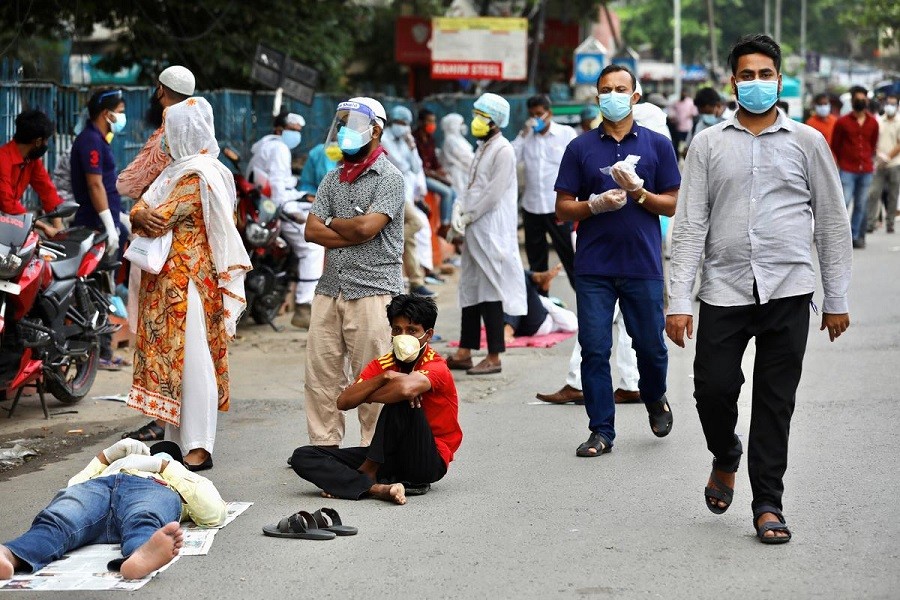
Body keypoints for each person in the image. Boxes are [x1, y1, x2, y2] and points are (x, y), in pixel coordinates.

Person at [667, 34, 852, 544]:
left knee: (775, 402)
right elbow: (689, 225)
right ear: (733, 81)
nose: (754, 83)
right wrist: (679, 301)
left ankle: (768, 502)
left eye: (764, 74)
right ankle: (726, 453)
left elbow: (832, 222)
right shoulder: (707, 143)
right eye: (745, 75)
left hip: (789, 289)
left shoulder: (808, 142)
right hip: (723, 289)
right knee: (712, 388)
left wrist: (835, 299)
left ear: (778, 79)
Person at [555, 64, 680, 457]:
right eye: (606, 89)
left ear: (635, 96)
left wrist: (640, 192)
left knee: (650, 346)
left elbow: (672, 204)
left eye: (620, 88)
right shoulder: (580, 148)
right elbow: (562, 208)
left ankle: (655, 396)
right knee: (594, 348)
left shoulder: (658, 145)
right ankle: (601, 430)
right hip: (594, 266)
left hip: (642, 264)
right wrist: (593, 205)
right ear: (597, 97)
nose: (613, 95)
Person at [127, 97, 251, 471]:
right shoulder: (179, 172)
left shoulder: (197, 174)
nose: (164, 139)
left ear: (183, 133)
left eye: (169, 132)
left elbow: (155, 216)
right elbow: (138, 207)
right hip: (170, 284)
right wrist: (138, 212)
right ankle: (176, 444)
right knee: (175, 364)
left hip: (188, 284)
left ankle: (198, 445)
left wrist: (138, 212)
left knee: (194, 362)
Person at [290, 295, 462, 504]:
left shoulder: (436, 366)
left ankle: (366, 473)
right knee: (304, 456)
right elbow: (343, 402)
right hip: (389, 458)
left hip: (427, 460)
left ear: (428, 335)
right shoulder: (384, 365)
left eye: (412, 331)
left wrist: (370, 395)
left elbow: (406, 389)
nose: (402, 336)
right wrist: (384, 378)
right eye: (397, 330)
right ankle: (377, 488)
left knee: (402, 398)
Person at [304, 97, 406, 447]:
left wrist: (333, 223)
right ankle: (324, 449)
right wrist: (348, 227)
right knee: (320, 376)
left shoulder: (390, 178)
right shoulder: (333, 178)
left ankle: (374, 452)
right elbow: (311, 231)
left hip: (373, 290)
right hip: (330, 289)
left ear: (375, 130)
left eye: (352, 124)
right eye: (342, 123)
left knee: (374, 377)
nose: (345, 131)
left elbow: (368, 228)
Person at [0, 438, 225, 580]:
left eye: (161, 454)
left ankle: (139, 556)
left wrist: (163, 465)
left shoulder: (176, 478)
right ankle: (9, 555)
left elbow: (214, 513)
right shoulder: (111, 467)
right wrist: (106, 457)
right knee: (59, 518)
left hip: (149, 487)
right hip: (99, 486)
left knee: (144, 517)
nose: (152, 455)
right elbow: (71, 487)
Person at [117, 65, 195, 444]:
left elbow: (127, 183)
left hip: (164, 257)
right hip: (188, 261)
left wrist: (139, 207)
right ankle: (176, 421)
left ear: (161, 92)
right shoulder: (203, 147)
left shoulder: (170, 141)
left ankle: (164, 421)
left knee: (161, 341)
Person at [445, 93, 526, 376]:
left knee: (490, 289)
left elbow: (493, 193)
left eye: (481, 115)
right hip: (474, 226)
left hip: (491, 228)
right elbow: (472, 186)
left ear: (494, 119)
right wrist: (459, 212)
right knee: (469, 287)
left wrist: (469, 214)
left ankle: (494, 355)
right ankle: (465, 351)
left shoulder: (503, 149)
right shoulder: (482, 147)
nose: (475, 120)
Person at [246, 111, 324, 328]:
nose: (296, 136)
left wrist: (299, 195)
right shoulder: (279, 148)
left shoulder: (263, 145)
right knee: (313, 246)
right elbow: (279, 192)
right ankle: (303, 306)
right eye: (293, 131)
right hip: (277, 208)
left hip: (263, 206)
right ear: (280, 129)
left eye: (298, 132)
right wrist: (296, 205)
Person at [70, 88, 129, 371]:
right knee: (97, 290)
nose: (122, 116)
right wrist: (109, 224)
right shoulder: (90, 142)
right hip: (94, 228)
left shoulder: (99, 141)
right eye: (119, 110)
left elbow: (105, 185)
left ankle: (103, 351)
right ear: (106, 113)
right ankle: (99, 352)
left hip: (105, 224)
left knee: (104, 289)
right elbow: (94, 186)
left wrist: (121, 218)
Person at [512, 95, 577, 286]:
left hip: (558, 207)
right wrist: (523, 134)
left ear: (549, 113)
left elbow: (578, 165)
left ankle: (584, 303)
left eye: (539, 114)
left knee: (570, 257)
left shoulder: (566, 133)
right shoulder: (526, 138)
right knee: (536, 262)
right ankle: (541, 307)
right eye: (532, 115)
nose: (536, 119)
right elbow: (510, 159)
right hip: (532, 208)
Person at [381, 105, 436, 298]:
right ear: (392, 122)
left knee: (410, 239)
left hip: (403, 194)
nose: (404, 127)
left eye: (406, 124)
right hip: (388, 193)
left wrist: (412, 148)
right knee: (416, 224)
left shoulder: (404, 141)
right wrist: (409, 153)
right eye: (400, 123)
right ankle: (382, 244)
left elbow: (415, 166)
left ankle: (415, 282)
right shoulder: (385, 139)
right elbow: (400, 164)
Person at [0, 109, 63, 236]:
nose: (46, 144)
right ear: (38, 141)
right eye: (46, 140)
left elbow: (47, 190)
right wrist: (44, 227)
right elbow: (7, 204)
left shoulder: (31, 161)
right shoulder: (3, 159)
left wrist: (59, 228)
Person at [831, 85, 879, 248]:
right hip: (847, 168)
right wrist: (839, 163)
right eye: (857, 100)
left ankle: (856, 235)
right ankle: (840, 236)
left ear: (867, 101)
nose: (860, 102)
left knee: (861, 204)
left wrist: (868, 159)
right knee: (844, 202)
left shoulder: (873, 122)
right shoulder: (842, 122)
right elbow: (835, 145)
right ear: (852, 102)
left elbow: (872, 144)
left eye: (863, 100)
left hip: (865, 169)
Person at [504, 268, 578, 342]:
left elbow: (572, 325)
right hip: (523, 319)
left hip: (537, 324)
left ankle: (536, 277)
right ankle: (536, 277)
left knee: (519, 278)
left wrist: (541, 298)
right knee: (515, 273)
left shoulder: (561, 315)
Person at [414, 109, 456, 232]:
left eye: (434, 121)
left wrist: (440, 170)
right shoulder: (414, 139)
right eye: (429, 121)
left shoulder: (430, 139)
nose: (432, 124)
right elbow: (419, 166)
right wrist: (437, 175)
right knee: (447, 192)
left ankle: (450, 223)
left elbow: (434, 162)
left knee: (453, 192)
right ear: (421, 122)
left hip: (431, 175)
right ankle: (444, 225)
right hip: (421, 176)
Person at [866, 94, 900, 233]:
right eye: (889, 103)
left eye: (893, 104)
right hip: (879, 163)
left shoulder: (899, 122)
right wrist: (880, 155)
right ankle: (870, 222)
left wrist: (888, 156)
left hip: (894, 163)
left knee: (892, 195)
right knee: (873, 193)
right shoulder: (878, 121)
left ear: (897, 106)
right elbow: (873, 140)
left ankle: (890, 222)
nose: (890, 106)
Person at [439, 113, 474, 203]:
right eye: (461, 123)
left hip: (464, 173)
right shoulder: (450, 140)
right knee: (459, 200)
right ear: (453, 125)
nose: (463, 126)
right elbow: (463, 157)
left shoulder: (458, 139)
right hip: (456, 175)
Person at [684, 87, 725, 151]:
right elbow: (686, 149)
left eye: (708, 113)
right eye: (701, 113)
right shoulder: (696, 126)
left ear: (718, 105)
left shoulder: (728, 127)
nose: (704, 116)